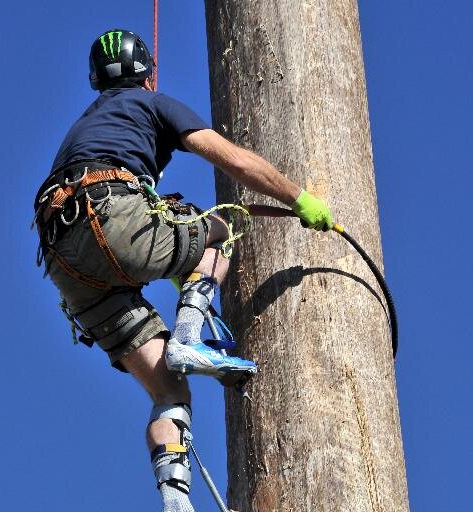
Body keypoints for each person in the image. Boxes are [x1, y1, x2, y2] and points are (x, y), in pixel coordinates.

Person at [33, 29, 332, 512]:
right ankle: (190, 335)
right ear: (149, 76)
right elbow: (233, 159)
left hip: (65, 258)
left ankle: (176, 505)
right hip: (110, 213)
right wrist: (299, 199)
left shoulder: (87, 126)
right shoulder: (154, 105)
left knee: (168, 391)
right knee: (226, 222)